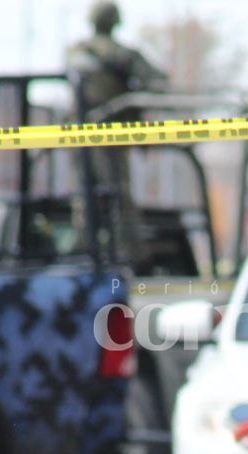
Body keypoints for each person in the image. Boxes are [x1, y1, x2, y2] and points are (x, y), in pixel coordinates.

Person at [66, 1, 169, 272]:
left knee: (86, 197)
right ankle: (131, 258)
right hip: (108, 135)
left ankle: (86, 255)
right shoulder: (122, 54)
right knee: (117, 196)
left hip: (81, 135)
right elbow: (158, 82)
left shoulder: (75, 51)